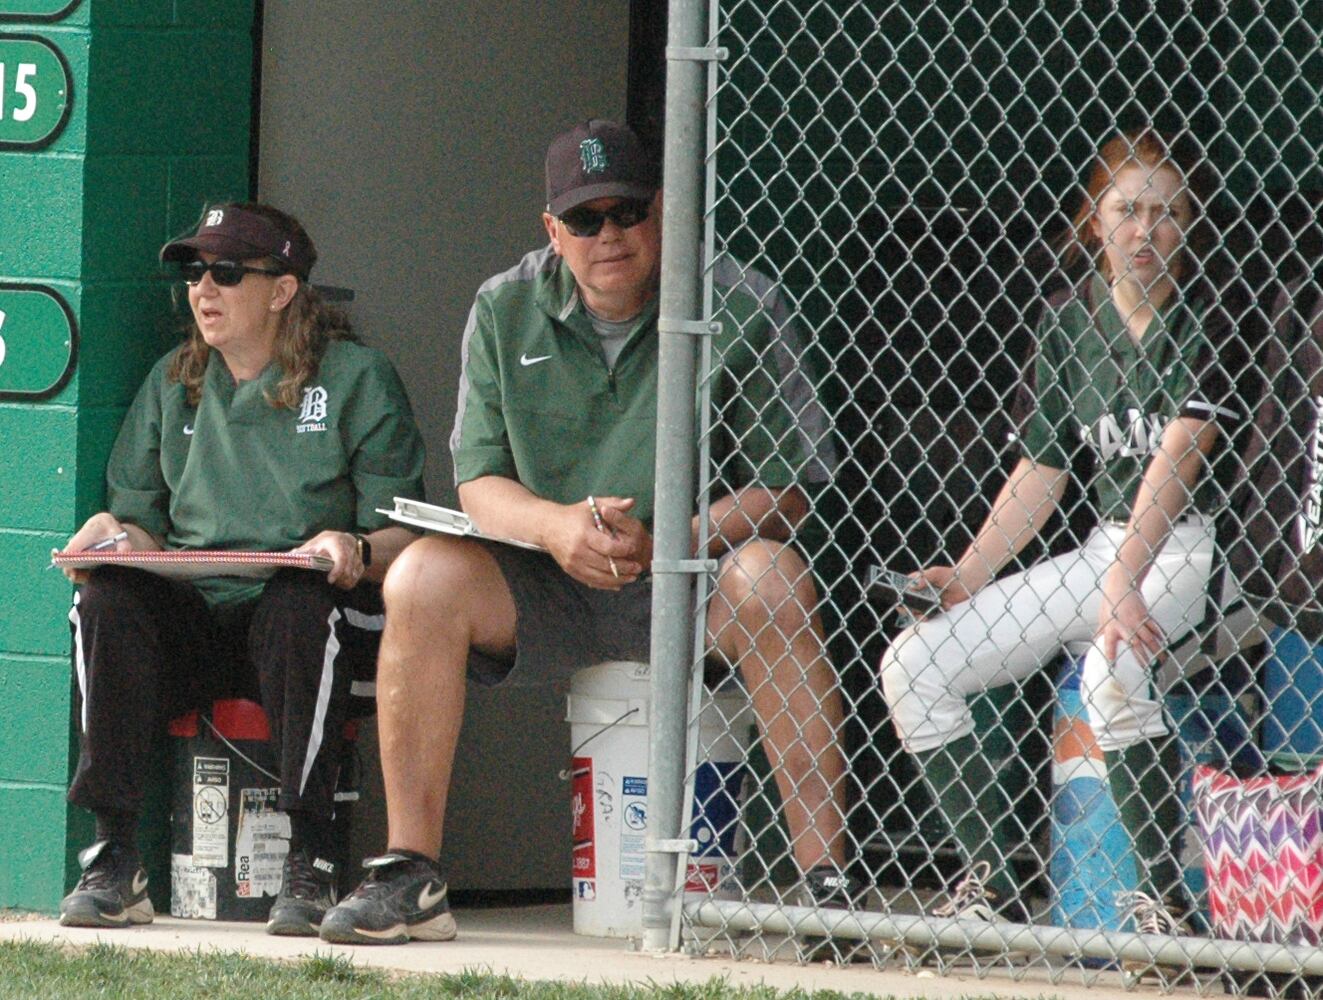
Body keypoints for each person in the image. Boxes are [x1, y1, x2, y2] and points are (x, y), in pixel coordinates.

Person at [318, 119, 855, 945]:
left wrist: (676, 535)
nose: (609, 235)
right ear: (551, 231)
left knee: (775, 574)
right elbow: (478, 481)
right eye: (584, 219)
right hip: (544, 575)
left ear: (665, 212)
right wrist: (558, 528)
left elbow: (790, 488)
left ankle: (826, 888)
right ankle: (410, 875)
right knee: (419, 575)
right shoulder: (504, 304)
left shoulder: (737, 297)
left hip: (688, 575)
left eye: (627, 212)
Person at [879, 128, 1257, 936]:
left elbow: (1178, 463)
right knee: (915, 663)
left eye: (1164, 212)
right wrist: (969, 573)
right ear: (1094, 220)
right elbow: (1041, 474)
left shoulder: (1215, 318)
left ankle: (1163, 902)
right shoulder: (1066, 324)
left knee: (1110, 671)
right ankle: (992, 883)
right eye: (1125, 210)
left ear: (1187, 223)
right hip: (1102, 549)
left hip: (1197, 548)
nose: (1143, 230)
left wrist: (1121, 587)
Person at [58, 203, 426, 937]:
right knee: (107, 600)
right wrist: (111, 534)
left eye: (227, 273)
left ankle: (313, 862)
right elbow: (143, 522)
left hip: (315, 621)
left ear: (283, 289)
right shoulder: (174, 379)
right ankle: (114, 857)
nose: (203, 290)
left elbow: (408, 537)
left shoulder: (356, 378)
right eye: (195, 273)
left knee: (297, 600)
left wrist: (350, 548)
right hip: (202, 615)